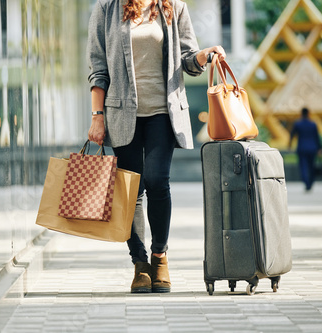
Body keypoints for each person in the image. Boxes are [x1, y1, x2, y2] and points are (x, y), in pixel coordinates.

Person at [87, 0, 226, 293]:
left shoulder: (173, 7)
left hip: (163, 112)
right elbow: (98, 68)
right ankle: (140, 263)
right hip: (122, 113)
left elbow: (187, 58)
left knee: (158, 181)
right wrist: (97, 116)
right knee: (131, 190)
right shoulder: (106, 9)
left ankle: (159, 256)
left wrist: (203, 55)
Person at [289, 107, 322, 191]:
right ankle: (311, 182)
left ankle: (306, 182)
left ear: (301, 113)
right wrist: (319, 148)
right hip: (312, 148)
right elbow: (316, 137)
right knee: (311, 166)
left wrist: (289, 144)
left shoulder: (298, 124)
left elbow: (292, 135)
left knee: (303, 166)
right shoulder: (313, 124)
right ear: (308, 113)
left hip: (302, 148)